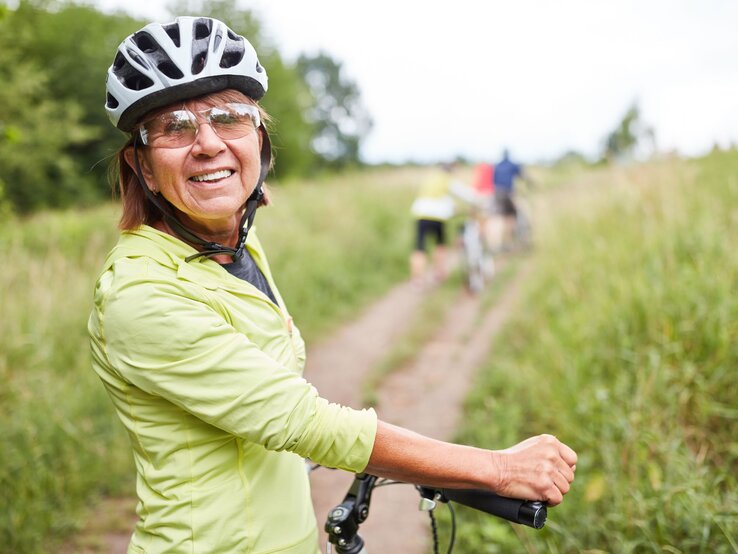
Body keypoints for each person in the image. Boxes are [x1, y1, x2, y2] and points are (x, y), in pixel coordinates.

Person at [88, 16, 577, 554]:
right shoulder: (139, 293)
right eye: (174, 127)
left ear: (259, 139)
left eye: (229, 117)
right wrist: (497, 468)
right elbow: (300, 420)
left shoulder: (238, 246)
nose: (206, 143)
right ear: (145, 168)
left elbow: (255, 405)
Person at [409, 162, 477, 285]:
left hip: (421, 215)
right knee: (440, 245)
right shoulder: (447, 180)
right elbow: (466, 194)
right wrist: (478, 201)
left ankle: (417, 279)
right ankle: (439, 272)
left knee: (419, 248)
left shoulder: (430, 178)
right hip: (438, 218)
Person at [492, 148, 529, 249]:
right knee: (512, 217)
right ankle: (512, 241)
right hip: (508, 193)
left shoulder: (497, 166)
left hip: (497, 194)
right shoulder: (512, 165)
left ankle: (498, 244)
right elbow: (523, 175)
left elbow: (493, 181)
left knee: (500, 218)